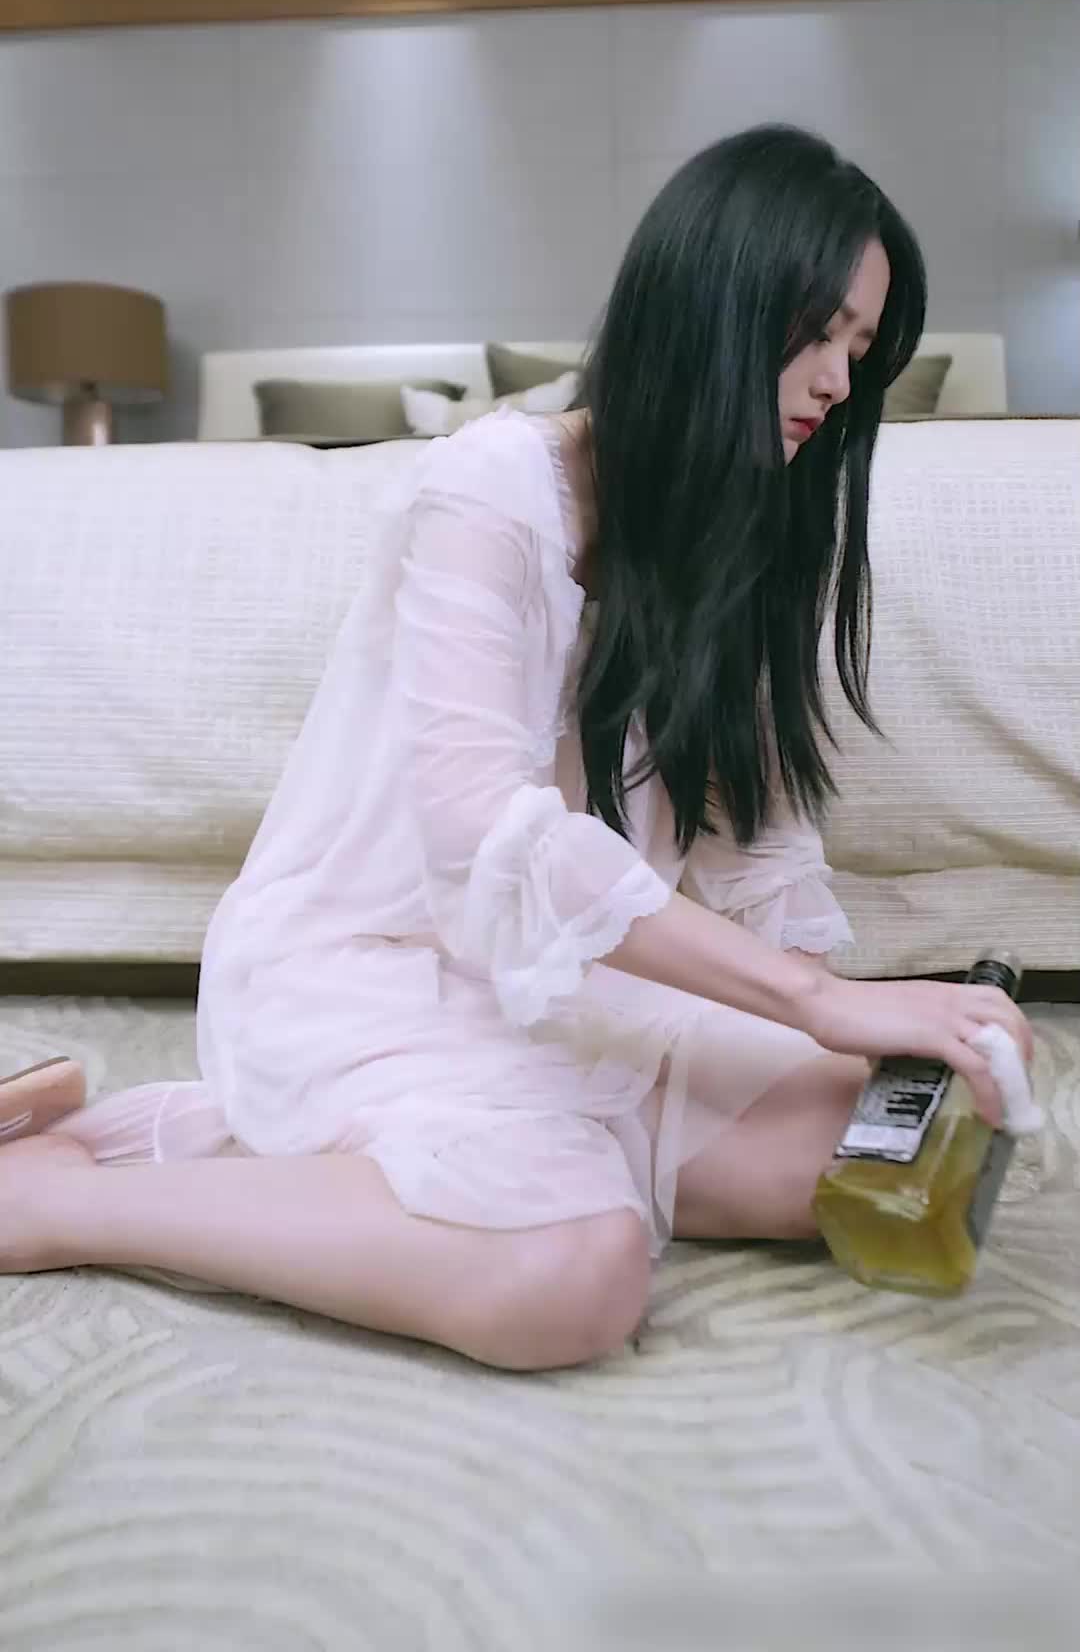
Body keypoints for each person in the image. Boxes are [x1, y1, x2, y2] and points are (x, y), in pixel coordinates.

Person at [0, 124, 1031, 1371]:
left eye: (861, 353)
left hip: (567, 985)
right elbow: (481, 827)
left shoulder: (747, 528)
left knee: (866, 1130)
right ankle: (57, 1201)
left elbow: (754, 842)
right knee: (576, 1272)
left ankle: (295, 1151)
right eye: (817, 334)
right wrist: (820, 1003)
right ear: (709, 303)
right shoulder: (493, 484)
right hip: (376, 969)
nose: (835, 385)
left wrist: (856, 1030)